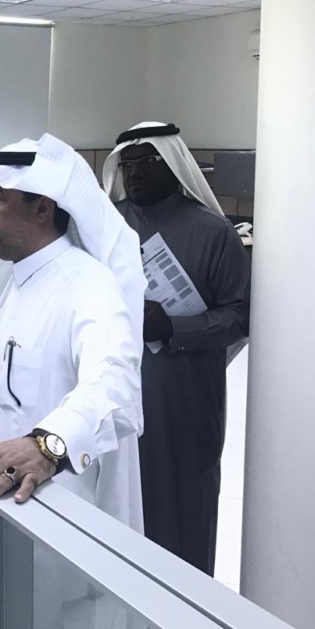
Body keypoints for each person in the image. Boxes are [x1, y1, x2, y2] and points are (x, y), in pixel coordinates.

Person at [0, 133, 146, 629]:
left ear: (43, 208)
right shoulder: (10, 279)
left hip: (56, 528)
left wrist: (47, 445)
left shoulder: (87, 284)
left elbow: (115, 382)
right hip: (1, 518)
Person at [103, 121, 251, 576]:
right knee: (119, 502)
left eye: (147, 161)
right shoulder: (106, 227)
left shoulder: (213, 232)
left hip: (184, 394)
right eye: (127, 164)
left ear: (172, 163)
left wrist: (173, 327)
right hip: (114, 391)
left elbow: (240, 316)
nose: (135, 173)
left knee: (185, 501)